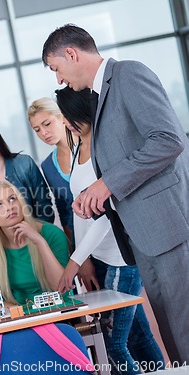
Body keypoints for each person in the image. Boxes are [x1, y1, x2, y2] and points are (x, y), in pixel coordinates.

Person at [42, 23, 189, 363]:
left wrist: (106, 184)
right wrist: (98, 196)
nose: (59, 79)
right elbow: (130, 164)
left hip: (168, 230)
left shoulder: (128, 75)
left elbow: (169, 140)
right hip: (144, 239)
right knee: (174, 339)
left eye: (56, 68)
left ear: (72, 53)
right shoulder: (99, 97)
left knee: (184, 330)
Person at [55, 87, 165, 374]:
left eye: (69, 115)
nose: (66, 122)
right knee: (138, 336)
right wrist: (86, 259)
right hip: (100, 259)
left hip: (121, 261)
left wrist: (74, 262)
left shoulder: (106, 149)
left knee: (112, 344)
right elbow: (80, 210)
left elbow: (106, 217)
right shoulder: (80, 144)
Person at [0, 180, 68, 305]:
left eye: (12, 199)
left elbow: (60, 288)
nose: (9, 207)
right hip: (16, 318)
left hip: (56, 312)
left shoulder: (52, 234)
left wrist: (40, 242)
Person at [28, 97, 74, 247]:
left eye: (47, 124)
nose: (43, 132)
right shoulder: (48, 166)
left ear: (62, 117)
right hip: (83, 239)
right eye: (37, 130)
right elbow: (64, 209)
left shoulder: (89, 144)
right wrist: (74, 247)